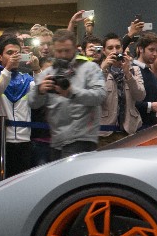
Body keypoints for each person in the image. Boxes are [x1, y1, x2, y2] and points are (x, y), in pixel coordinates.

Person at [30, 30, 106, 160]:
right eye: (59, 51)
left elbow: (100, 96)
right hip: (56, 140)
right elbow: (32, 103)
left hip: (82, 138)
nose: (63, 55)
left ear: (75, 49)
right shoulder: (47, 73)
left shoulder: (90, 68)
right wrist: (40, 90)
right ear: (53, 49)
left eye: (67, 50)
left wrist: (71, 92)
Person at [0, 36, 35, 178]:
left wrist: (38, 70)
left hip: (23, 140)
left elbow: (39, 100)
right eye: (9, 53)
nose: (14, 57)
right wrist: (7, 69)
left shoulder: (27, 78)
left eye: (17, 53)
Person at [98, 33, 146, 142]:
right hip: (104, 132)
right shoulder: (97, 70)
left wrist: (128, 73)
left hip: (129, 130)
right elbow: (94, 97)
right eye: (110, 48)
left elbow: (140, 96)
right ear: (104, 51)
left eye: (118, 47)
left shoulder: (134, 70)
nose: (115, 51)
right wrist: (102, 71)